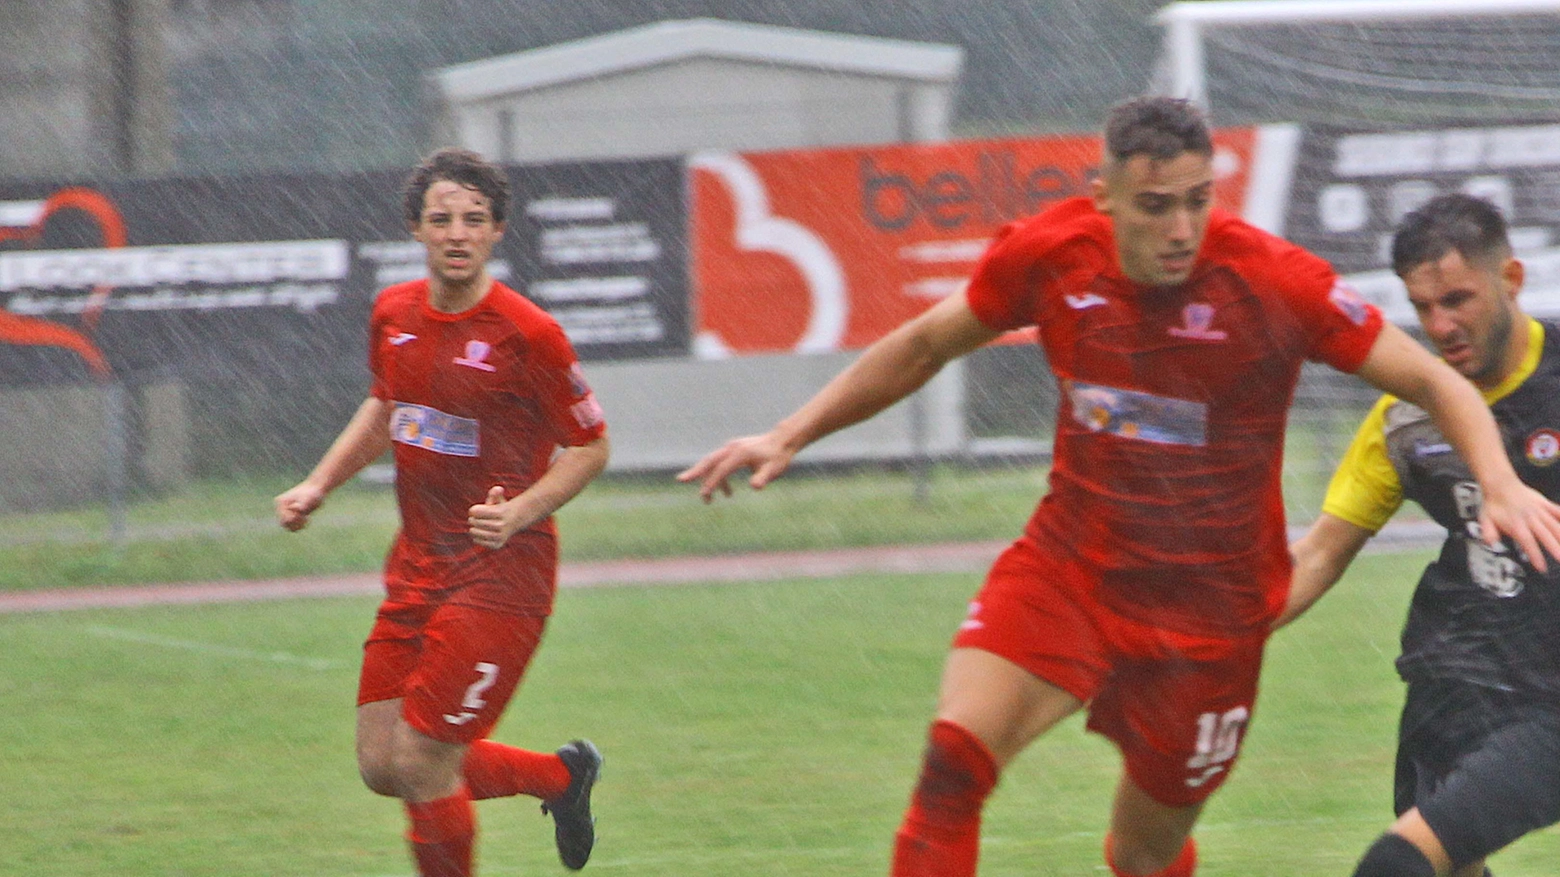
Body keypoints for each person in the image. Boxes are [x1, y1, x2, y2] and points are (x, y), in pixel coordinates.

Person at [678, 98, 1560, 877]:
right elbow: (922, 345)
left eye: (1197, 200)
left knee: (1143, 855)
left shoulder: (1274, 281)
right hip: (1072, 568)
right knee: (952, 762)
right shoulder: (1052, 256)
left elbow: (1438, 385)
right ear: (1104, 197)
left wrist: (1499, 483)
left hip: (1208, 617)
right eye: (1155, 206)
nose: (1182, 228)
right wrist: (789, 430)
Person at [274, 148, 610, 877]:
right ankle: (560, 777)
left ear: (496, 232)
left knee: (425, 761)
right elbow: (386, 408)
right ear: (416, 231)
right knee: (382, 761)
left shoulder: (530, 334)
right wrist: (318, 484)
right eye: (441, 219)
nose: (457, 232)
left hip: (501, 577)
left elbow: (590, 445)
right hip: (418, 568)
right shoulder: (392, 313)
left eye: (474, 219)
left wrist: (522, 509)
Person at [1283, 194, 1560, 877]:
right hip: (1456, 679)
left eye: (1459, 299)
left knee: (1395, 866)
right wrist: (1207, 637)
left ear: (1513, 280)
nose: (1442, 325)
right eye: (1424, 307)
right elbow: (1318, 552)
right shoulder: (1405, 419)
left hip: (1552, 698)